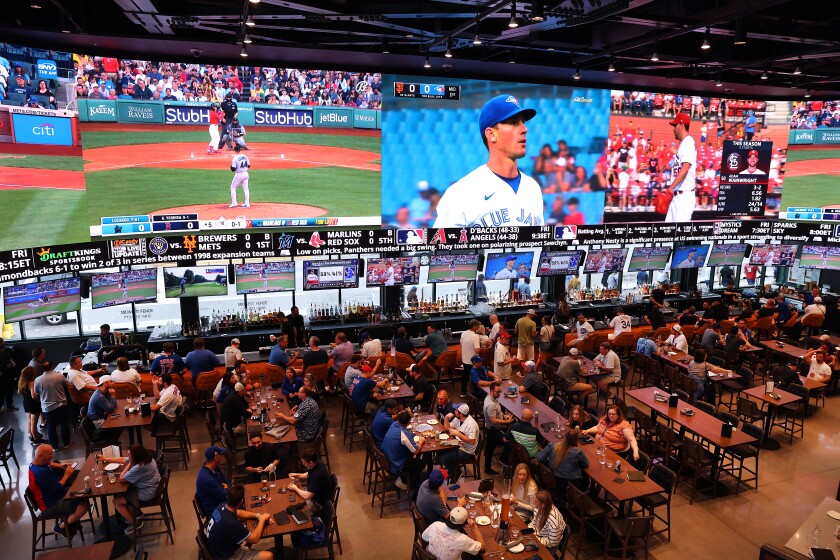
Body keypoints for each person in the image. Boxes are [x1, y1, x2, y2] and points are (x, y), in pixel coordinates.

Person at [433, 94, 543, 228]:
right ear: (491, 134)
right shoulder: (461, 193)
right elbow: (442, 248)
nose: (524, 129)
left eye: (523, 123)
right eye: (514, 122)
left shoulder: (533, 188)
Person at [28, 444, 90, 538]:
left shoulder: (35, 463)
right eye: (49, 454)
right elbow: (58, 487)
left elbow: (49, 463)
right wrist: (66, 475)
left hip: (56, 495)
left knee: (83, 492)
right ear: (40, 456)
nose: (52, 456)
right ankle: (61, 526)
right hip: (51, 505)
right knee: (83, 506)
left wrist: (61, 466)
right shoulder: (40, 473)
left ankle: (71, 522)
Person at [100, 444, 159, 535]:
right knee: (123, 492)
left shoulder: (139, 466)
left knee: (116, 502)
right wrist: (105, 458)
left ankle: (135, 523)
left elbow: (122, 478)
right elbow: (123, 460)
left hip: (147, 492)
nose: (128, 456)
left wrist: (130, 463)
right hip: (153, 486)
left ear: (135, 456)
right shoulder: (146, 457)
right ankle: (137, 513)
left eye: (129, 455)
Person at [205, 484, 273, 560]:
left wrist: (258, 515)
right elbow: (254, 539)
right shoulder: (231, 523)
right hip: (226, 556)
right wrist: (262, 519)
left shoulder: (222, 506)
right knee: (268, 556)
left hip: (218, 549)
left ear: (228, 497)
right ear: (242, 501)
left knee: (246, 535)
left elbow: (239, 513)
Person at [664, 113, 697, 223]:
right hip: (678, 196)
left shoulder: (688, 142)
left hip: (684, 198)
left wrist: (670, 188)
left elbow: (685, 169)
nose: (673, 129)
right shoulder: (683, 144)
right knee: (666, 233)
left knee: (679, 236)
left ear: (682, 125)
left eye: (675, 125)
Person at [382, 410, 427, 490]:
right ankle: (405, 482)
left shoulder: (394, 424)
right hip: (396, 463)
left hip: (387, 457)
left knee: (410, 454)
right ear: (409, 422)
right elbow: (416, 451)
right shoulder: (403, 433)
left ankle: (406, 478)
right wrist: (421, 441)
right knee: (422, 463)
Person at [33, 361, 71, 451]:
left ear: (43, 369)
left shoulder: (38, 380)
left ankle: (54, 446)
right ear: (52, 367)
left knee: (51, 426)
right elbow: (68, 384)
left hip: (47, 407)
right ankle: (66, 443)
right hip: (61, 404)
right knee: (64, 424)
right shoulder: (59, 376)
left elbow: (36, 392)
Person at [439, 404, 479, 484]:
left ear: (460, 413)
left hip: (467, 451)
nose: (454, 411)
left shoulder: (471, 424)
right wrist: (446, 418)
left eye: (456, 410)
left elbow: (472, 441)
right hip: (458, 445)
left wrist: (458, 434)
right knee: (440, 452)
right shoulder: (458, 419)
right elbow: (447, 428)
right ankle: (453, 469)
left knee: (444, 458)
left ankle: (456, 472)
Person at [288, 447, 332, 517]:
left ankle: (311, 524)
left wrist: (295, 488)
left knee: (296, 513)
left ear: (311, 462)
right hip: (316, 495)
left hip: (319, 504)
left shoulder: (317, 475)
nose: (302, 464)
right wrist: (297, 475)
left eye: (304, 463)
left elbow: (307, 496)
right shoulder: (318, 463)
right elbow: (309, 473)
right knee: (294, 504)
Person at [483, 382, 514, 475]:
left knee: (489, 449)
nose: (500, 393)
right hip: (492, 429)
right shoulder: (491, 404)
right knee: (509, 443)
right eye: (498, 392)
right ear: (492, 391)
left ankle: (487, 469)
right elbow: (493, 420)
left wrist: (504, 416)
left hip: (491, 428)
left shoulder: (490, 398)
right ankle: (503, 459)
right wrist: (506, 422)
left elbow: (497, 415)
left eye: (500, 391)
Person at [196, 445, 230, 515]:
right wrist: (226, 488)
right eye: (221, 455)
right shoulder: (206, 478)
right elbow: (223, 495)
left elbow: (225, 480)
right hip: (214, 510)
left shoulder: (215, 468)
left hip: (220, 500)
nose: (222, 457)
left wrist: (228, 488)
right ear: (216, 457)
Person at [18, 367, 46, 444]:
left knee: (29, 421)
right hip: (33, 404)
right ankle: (36, 439)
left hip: (26, 403)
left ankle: (32, 435)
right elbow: (33, 396)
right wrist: (40, 400)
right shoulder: (32, 382)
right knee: (34, 423)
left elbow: (19, 392)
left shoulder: (21, 382)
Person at [460, 320, 482, 395]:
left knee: (465, 376)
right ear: (474, 326)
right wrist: (481, 345)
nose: (478, 327)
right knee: (474, 377)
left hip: (464, 359)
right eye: (477, 326)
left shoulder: (463, 333)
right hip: (473, 361)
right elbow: (477, 349)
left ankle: (464, 392)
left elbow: (461, 344)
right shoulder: (475, 336)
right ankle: (474, 393)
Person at [0, 338, 18, 412]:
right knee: (1, 391)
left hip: (9, 372)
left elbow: (10, 358)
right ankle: (1, 406)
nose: (3, 343)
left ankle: (9, 406)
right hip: (1, 374)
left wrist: (12, 363)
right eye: (1, 342)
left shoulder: (7, 350)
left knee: (10, 390)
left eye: (3, 341)